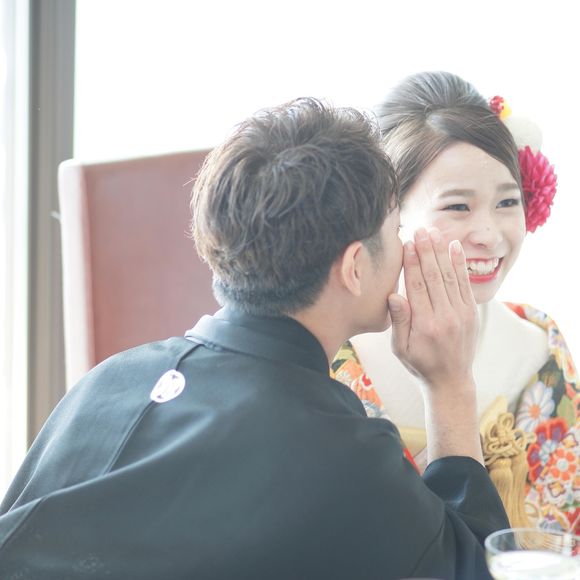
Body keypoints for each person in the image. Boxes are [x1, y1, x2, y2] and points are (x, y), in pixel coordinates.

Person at [0, 98, 508, 579]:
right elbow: (480, 568)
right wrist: (450, 386)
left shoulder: (108, 380)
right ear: (355, 266)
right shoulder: (339, 453)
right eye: (396, 230)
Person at [332, 72, 579, 534]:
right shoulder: (334, 359)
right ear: (388, 214)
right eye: (458, 207)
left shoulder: (542, 348)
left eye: (508, 202)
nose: (488, 235)